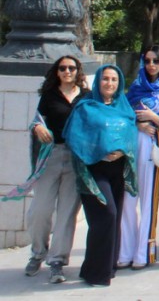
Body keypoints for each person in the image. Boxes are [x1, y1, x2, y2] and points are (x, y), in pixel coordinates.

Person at [62, 63, 137, 287]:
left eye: (114, 80)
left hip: (118, 170)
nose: (109, 83)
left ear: (119, 84)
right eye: (105, 79)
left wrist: (123, 150)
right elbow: (75, 137)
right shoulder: (86, 107)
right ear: (98, 81)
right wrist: (99, 153)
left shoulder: (124, 108)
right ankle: (97, 272)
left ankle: (103, 267)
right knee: (107, 215)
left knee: (112, 220)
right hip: (93, 170)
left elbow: (131, 135)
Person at [17, 56, 86, 284]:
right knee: (40, 210)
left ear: (78, 71)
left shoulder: (86, 96)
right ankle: (38, 252)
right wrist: (36, 127)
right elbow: (38, 120)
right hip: (51, 155)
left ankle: (57, 261)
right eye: (63, 68)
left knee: (67, 213)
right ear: (57, 71)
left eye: (71, 68)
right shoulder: (49, 96)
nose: (67, 71)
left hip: (76, 157)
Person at [119, 46, 159, 268]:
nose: (151, 65)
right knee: (127, 200)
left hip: (153, 146)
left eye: (157, 61)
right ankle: (125, 251)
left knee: (148, 201)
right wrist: (138, 122)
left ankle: (144, 252)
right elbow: (122, 116)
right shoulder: (135, 88)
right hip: (130, 146)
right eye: (148, 61)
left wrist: (154, 118)